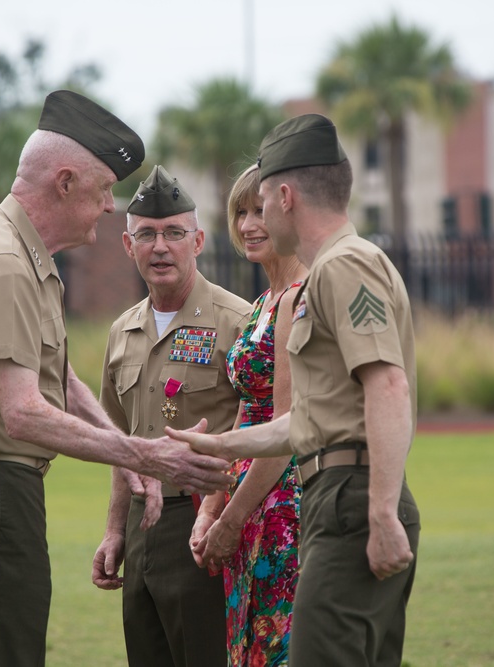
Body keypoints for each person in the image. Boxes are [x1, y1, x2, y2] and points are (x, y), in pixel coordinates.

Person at [0, 91, 233, 667]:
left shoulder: (25, 258)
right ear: (63, 183)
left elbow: (67, 385)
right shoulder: (3, 263)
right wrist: (147, 456)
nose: (110, 208)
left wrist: (132, 459)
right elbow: (23, 412)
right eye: (104, 189)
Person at [168, 114, 421, 666]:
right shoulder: (328, 270)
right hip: (339, 490)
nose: (252, 218)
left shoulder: (345, 265)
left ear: (285, 196)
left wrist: (379, 513)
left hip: (352, 494)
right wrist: (221, 447)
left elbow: (388, 385)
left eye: (260, 201)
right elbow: (306, 420)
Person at [91, 165, 252, 667]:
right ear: (127, 245)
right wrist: (116, 529)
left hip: (206, 522)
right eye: (147, 235)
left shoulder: (238, 323)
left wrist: (220, 517)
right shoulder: (123, 332)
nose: (160, 247)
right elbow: (121, 440)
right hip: (142, 526)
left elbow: (257, 429)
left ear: (198, 240)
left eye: (174, 233)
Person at [190, 163, 305, 666]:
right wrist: (212, 509)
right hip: (244, 497)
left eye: (260, 210)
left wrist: (230, 520)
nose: (249, 224)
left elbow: (283, 431)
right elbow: (243, 417)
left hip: (281, 504)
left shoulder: (299, 299)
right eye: (241, 212)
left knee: (276, 648)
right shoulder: (261, 305)